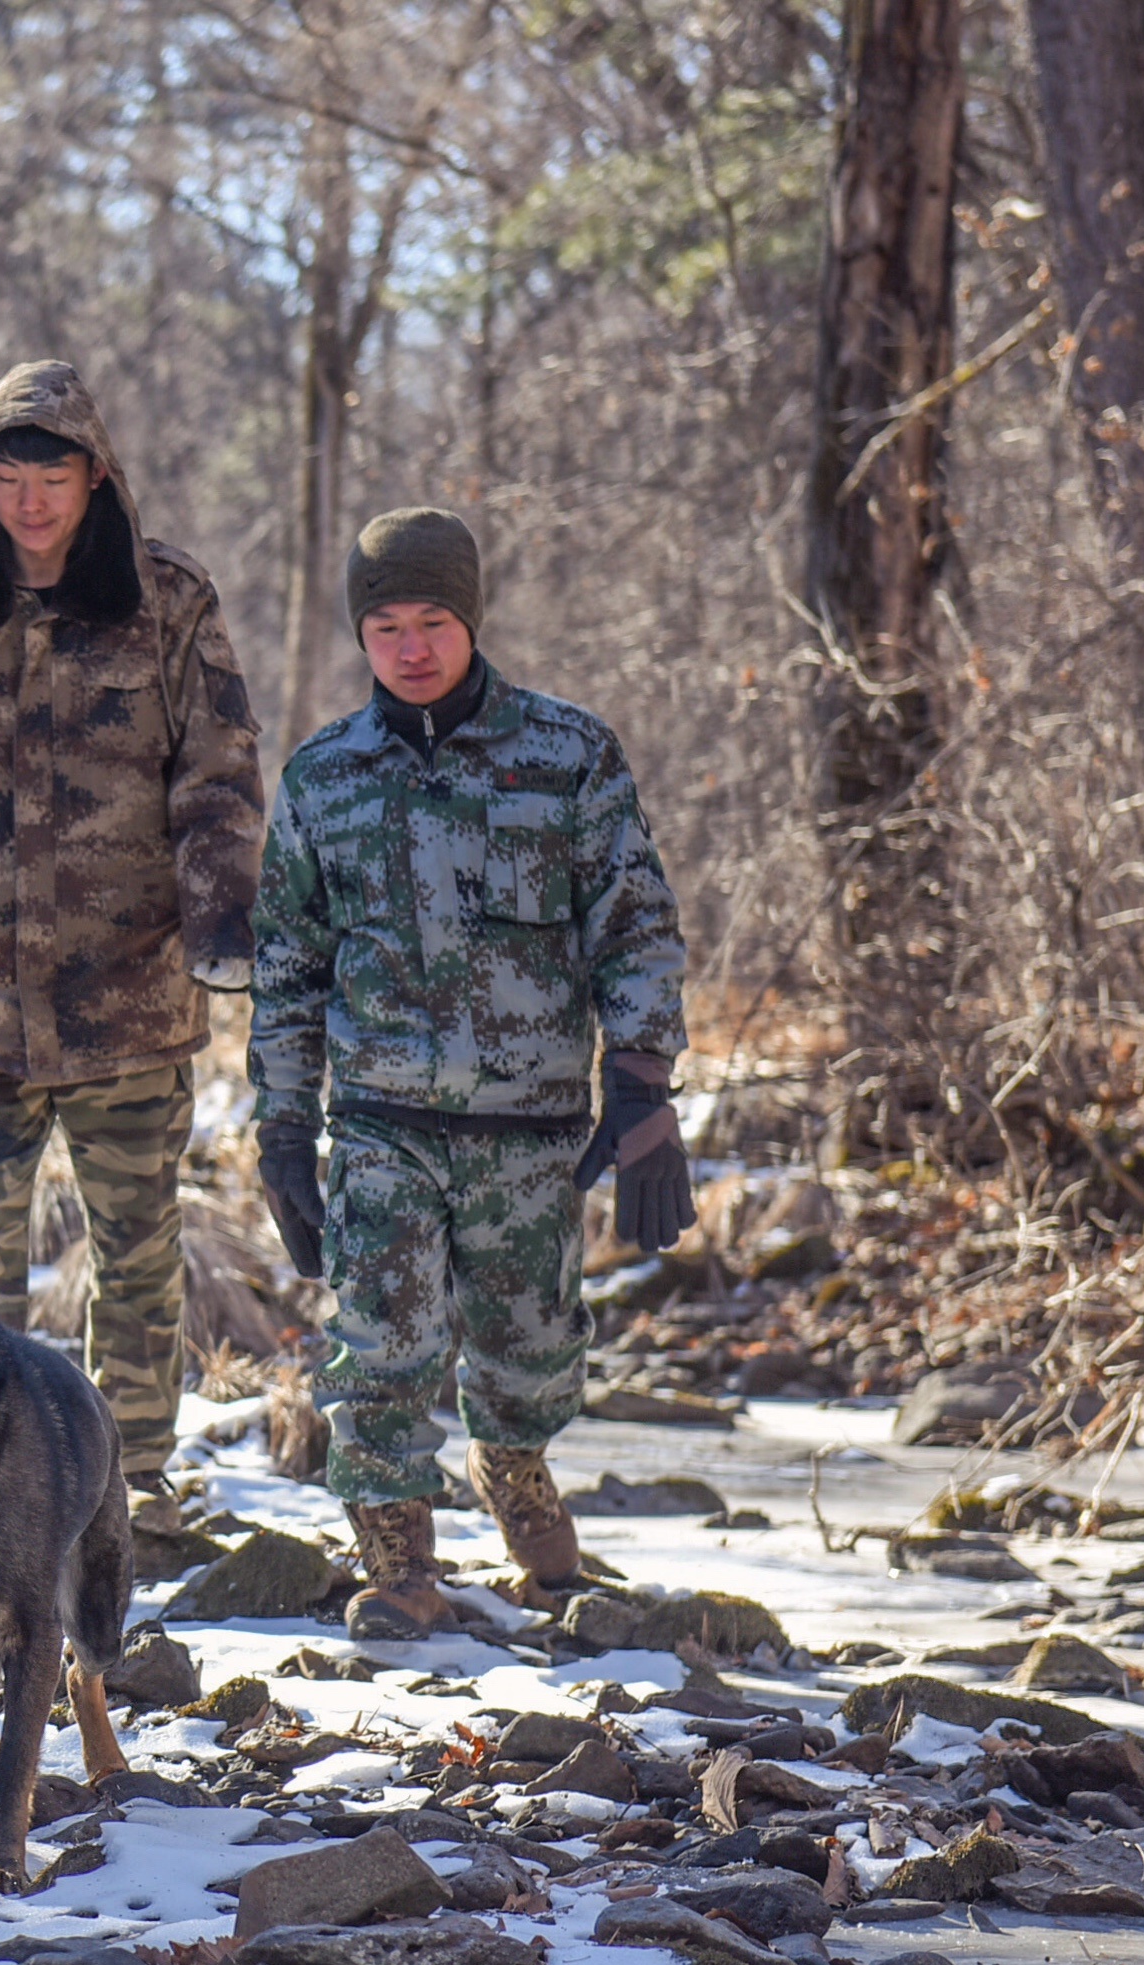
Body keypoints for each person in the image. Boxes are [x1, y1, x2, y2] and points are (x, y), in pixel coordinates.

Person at [246, 507, 695, 1638]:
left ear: (470, 620)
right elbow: (289, 967)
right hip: (382, 1124)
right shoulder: (322, 779)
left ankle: (516, 1470)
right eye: (385, 625)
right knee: (380, 1349)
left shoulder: (567, 754)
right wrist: (283, 1131)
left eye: (432, 620)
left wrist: (642, 1083)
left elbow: (634, 923)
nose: (409, 647)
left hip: (532, 1129)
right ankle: (398, 1565)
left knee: (529, 1350)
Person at [0, 362, 264, 1490]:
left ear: (96, 476)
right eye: (9, 470)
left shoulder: (169, 603)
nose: (31, 497)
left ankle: (126, 1491)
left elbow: (220, 776)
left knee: (135, 1261)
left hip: (131, 1003)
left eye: (54, 473)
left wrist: (223, 910)